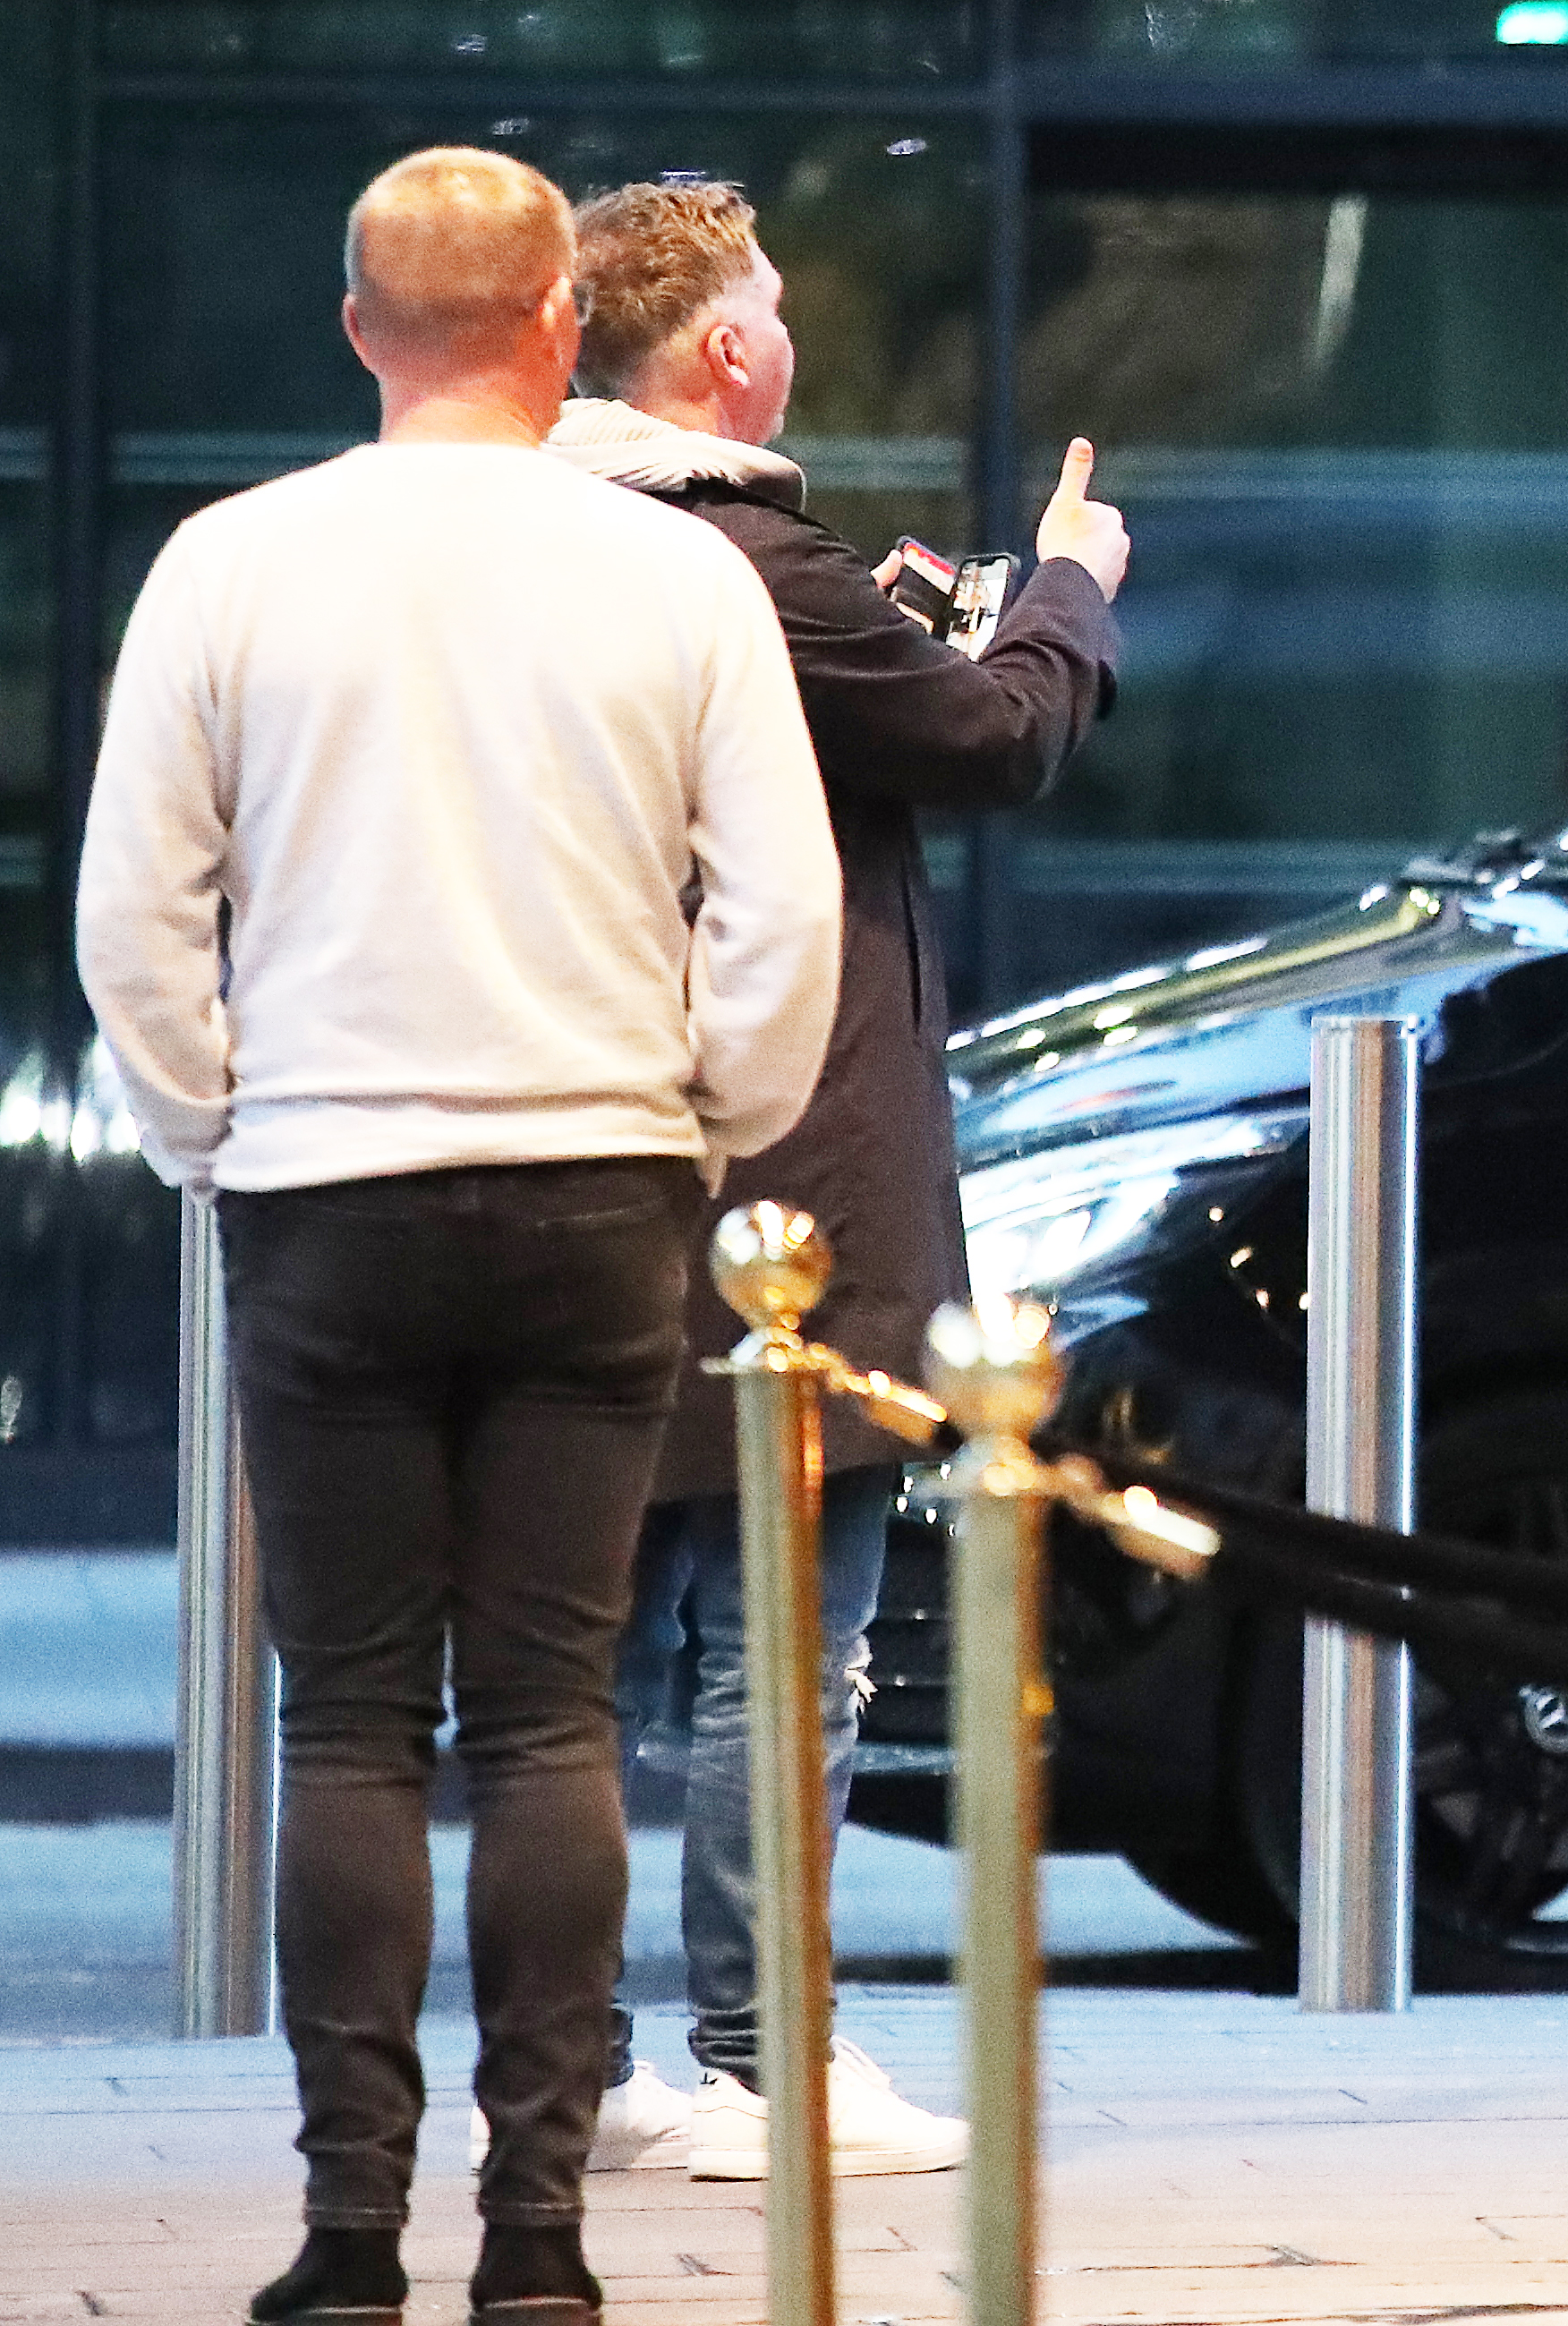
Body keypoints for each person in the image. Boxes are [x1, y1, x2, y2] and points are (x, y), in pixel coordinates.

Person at [73, 149, 839, 2326]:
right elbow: (775, 912)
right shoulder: (678, 577)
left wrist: (209, 1121)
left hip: (328, 1188)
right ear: (555, 326)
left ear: (353, 326)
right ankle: (541, 2240)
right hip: (604, 1179)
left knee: (345, 1727)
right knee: (547, 1721)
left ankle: (343, 2234)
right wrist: (714, 1112)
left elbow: (141, 908)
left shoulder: (231, 567)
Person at [540, 178, 1126, 2181]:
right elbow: (989, 731)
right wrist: (1065, 584)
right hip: (788, 1164)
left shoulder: (553, 541)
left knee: (623, 1641)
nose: (787, 330)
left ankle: (602, 2065)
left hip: (605, 1155)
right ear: (722, 350)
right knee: (789, 1644)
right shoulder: (741, 556)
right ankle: (761, 2060)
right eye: (770, 302)